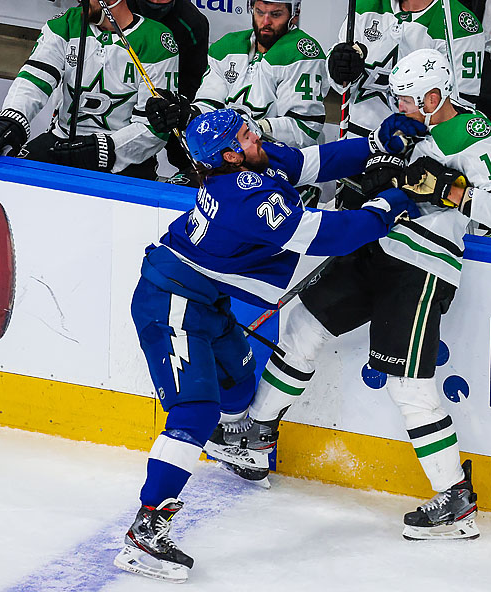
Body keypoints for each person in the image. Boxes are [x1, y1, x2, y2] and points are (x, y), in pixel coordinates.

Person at [208, 48, 491, 541]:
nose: (398, 104)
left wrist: (453, 193)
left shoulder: (476, 134)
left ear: (436, 94)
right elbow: (342, 166)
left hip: (421, 267)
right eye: (397, 95)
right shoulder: (399, 126)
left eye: (408, 97)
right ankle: (256, 436)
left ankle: (455, 498)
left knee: (408, 385)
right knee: (303, 329)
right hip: (370, 248)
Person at [113, 107, 423, 582]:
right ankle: (146, 530)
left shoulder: (252, 162)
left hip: (207, 300)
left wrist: (378, 145)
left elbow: (312, 162)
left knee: (237, 390)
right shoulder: (245, 199)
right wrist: (387, 206)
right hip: (171, 301)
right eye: (246, 135)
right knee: (194, 412)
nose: (257, 135)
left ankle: (229, 442)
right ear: (230, 156)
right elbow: (329, 237)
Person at [0, 0, 179, 179]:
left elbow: (155, 126)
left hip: (122, 155)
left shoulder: (157, 42)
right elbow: (34, 79)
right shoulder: (65, 25)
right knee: (9, 174)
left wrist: (106, 149)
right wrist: (11, 118)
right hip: (63, 141)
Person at [145, 0, 328, 182]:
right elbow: (209, 103)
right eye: (259, 11)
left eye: (275, 14)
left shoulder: (303, 54)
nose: (265, 21)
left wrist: (245, 128)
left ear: (294, 13)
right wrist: (186, 113)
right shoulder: (227, 46)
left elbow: (304, 129)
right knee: (179, 192)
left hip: (277, 165)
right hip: (227, 162)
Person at [326, 0, 484, 140]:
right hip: (355, 136)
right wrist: (339, 69)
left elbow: (459, 109)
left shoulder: (459, 27)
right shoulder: (366, 5)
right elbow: (340, 84)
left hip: (416, 148)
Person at [126, 0, 210, 171]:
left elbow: (195, 76)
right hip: (125, 95)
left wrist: (178, 109)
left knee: (187, 158)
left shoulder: (193, 22)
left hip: (171, 100)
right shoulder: (121, 8)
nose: (154, 2)